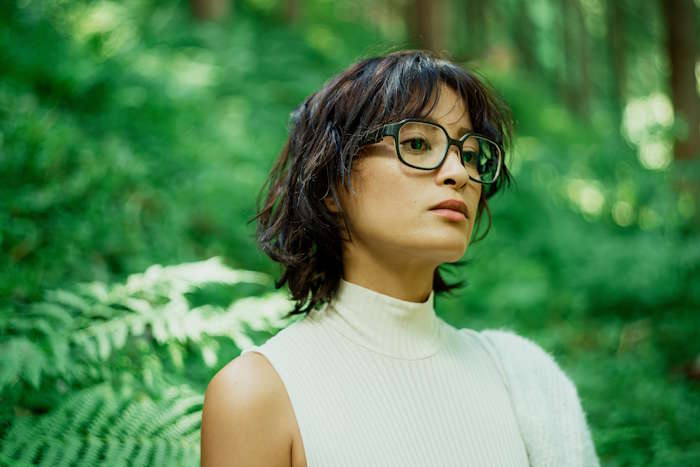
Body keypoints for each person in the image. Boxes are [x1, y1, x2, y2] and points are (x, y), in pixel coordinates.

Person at [201, 50, 600, 467]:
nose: (459, 173)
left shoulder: (525, 381)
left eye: (469, 153)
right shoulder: (258, 394)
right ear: (332, 185)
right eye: (417, 144)